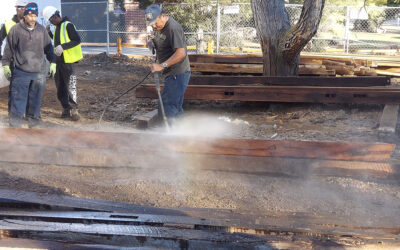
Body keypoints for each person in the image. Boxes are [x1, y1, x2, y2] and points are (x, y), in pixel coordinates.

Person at [2, 2, 56, 128]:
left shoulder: (42, 30)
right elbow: (8, 49)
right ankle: (15, 129)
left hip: (39, 73)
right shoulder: (15, 30)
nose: (33, 19)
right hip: (21, 72)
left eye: (35, 16)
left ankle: (34, 128)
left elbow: (49, 48)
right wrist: (5, 65)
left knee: (35, 103)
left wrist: (53, 62)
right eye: (30, 16)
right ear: (25, 15)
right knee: (18, 102)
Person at [144, 4, 191, 124]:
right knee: (175, 105)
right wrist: (151, 42)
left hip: (178, 73)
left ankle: (169, 135)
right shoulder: (158, 27)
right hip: (171, 73)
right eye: (152, 24)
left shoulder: (173, 28)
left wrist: (161, 65)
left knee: (166, 104)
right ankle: (180, 134)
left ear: (163, 16)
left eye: (155, 22)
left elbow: (181, 53)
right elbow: (158, 38)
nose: (154, 26)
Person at [43, 6, 83, 121]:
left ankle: (74, 109)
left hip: (68, 61)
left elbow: (77, 40)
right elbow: (58, 40)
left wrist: (63, 47)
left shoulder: (68, 25)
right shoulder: (57, 27)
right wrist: (49, 33)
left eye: (51, 20)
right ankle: (66, 108)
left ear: (55, 17)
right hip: (59, 62)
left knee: (70, 86)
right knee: (60, 87)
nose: (51, 22)